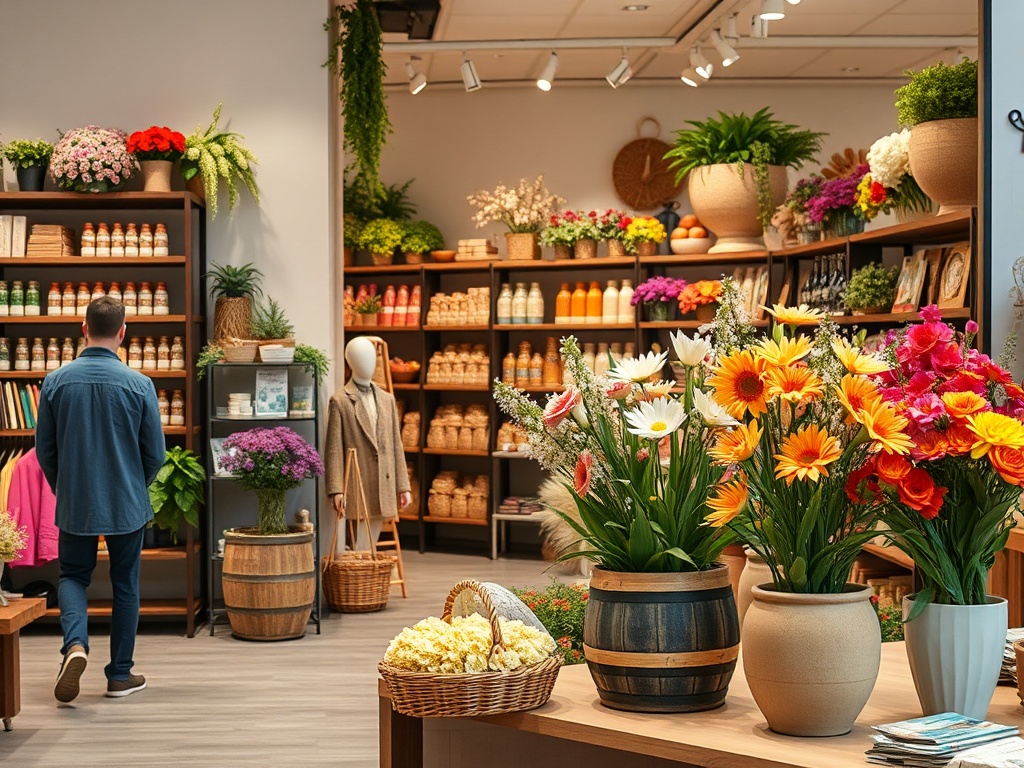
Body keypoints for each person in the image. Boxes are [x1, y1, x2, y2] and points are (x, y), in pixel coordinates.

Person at [36, 296, 165, 703]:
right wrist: (133, 484)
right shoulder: (140, 384)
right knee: (125, 584)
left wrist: (66, 486)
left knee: (73, 576)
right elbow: (155, 455)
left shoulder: (55, 382)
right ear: (123, 332)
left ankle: (75, 645)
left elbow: (45, 451)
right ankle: (119, 676)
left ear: (83, 329)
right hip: (127, 501)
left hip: (76, 499)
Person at [325, 337, 411, 550]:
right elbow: (333, 450)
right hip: (356, 482)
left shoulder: (387, 399)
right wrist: (336, 489)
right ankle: (361, 576)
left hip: (384, 481)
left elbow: (396, 446)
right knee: (359, 545)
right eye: (362, 358)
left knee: (370, 540)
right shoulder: (340, 401)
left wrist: (403, 485)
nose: (369, 363)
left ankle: (367, 576)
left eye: (371, 358)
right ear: (351, 362)